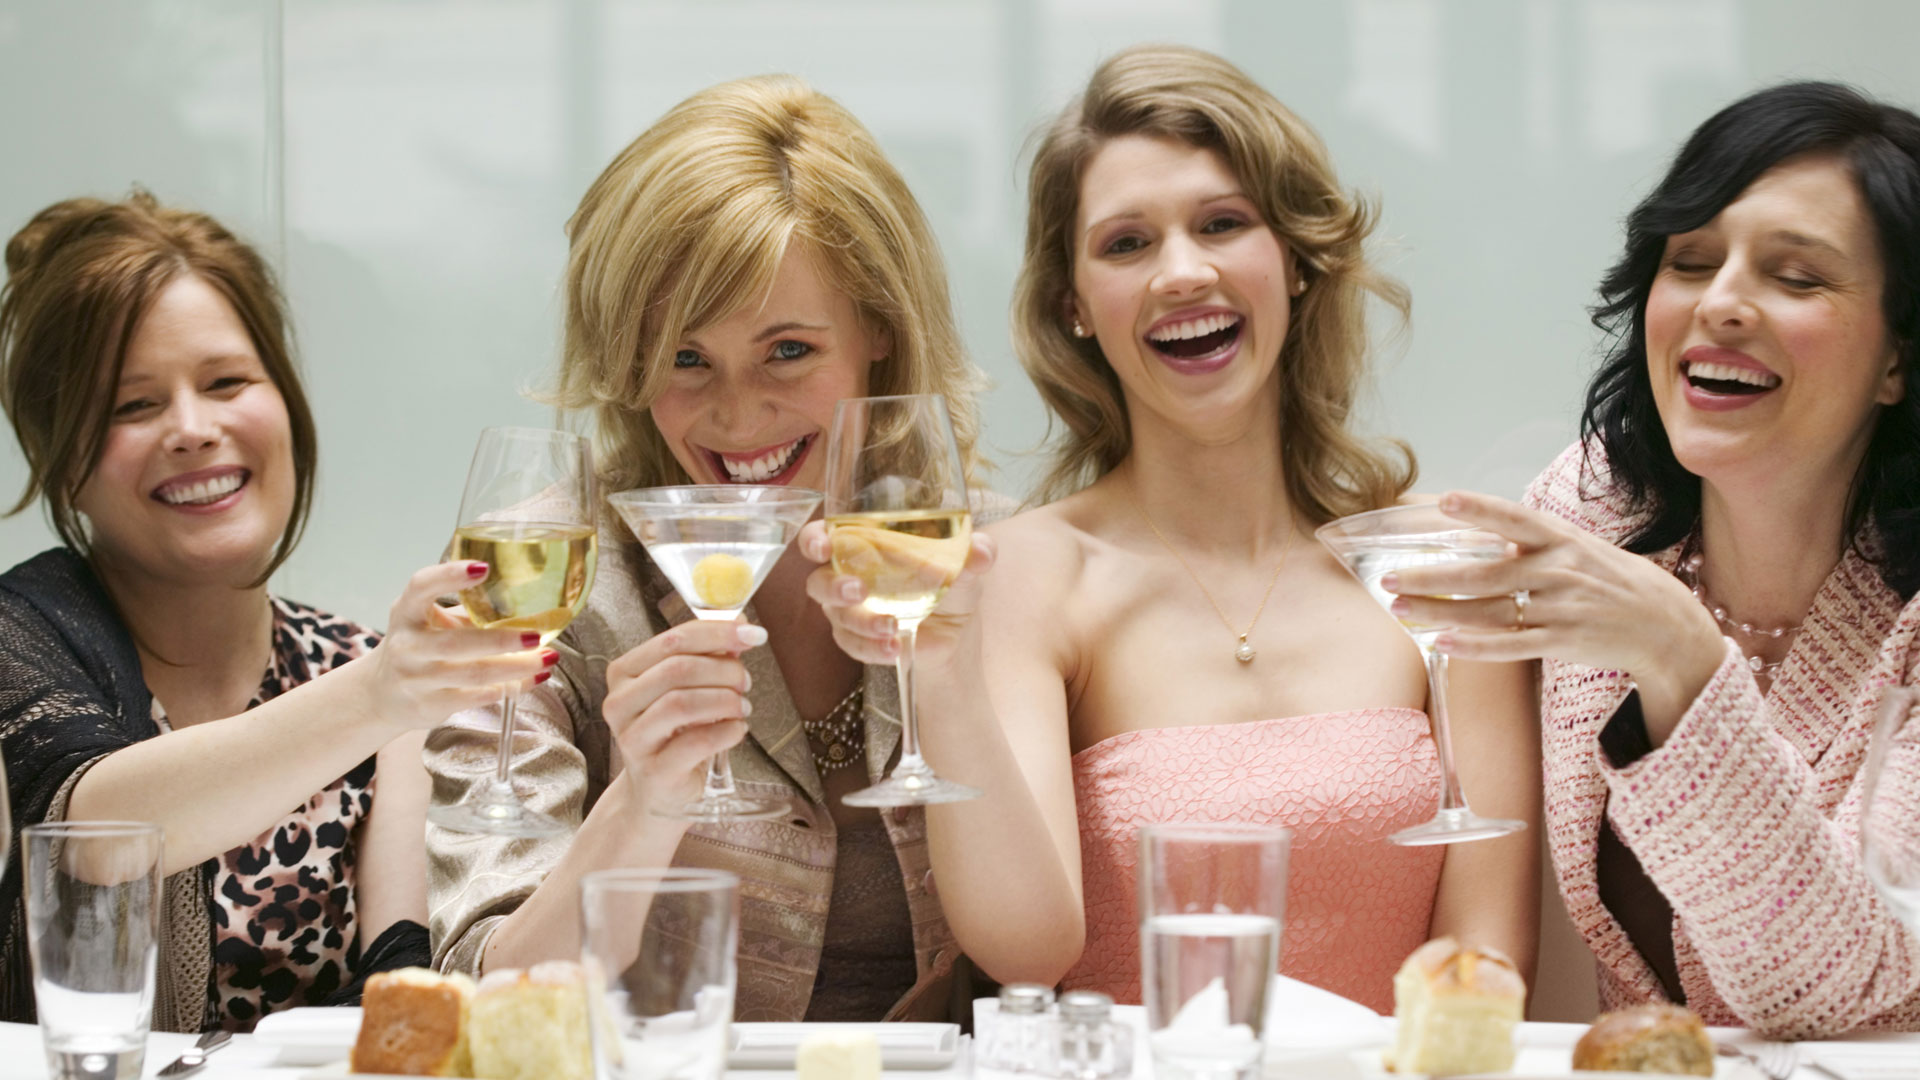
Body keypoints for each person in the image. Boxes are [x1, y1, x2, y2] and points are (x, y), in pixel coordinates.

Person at [804, 44, 1540, 1012]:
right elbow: (1026, 953)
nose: (1184, 272)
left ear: (1296, 261)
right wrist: (939, 666)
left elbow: (1487, 963)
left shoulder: (1433, 562)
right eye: (1127, 244)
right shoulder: (1025, 572)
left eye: (1223, 224)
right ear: (1074, 306)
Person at [423, 75, 1055, 1023]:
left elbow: (1044, 960)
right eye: (685, 359)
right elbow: (493, 1001)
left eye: (788, 350)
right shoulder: (540, 572)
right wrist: (642, 803)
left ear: (880, 326)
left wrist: (951, 679)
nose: (737, 414)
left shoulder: (993, 558)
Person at [1386, 82, 1920, 1038]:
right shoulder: (1597, 507)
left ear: (1898, 360)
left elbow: (1833, 987)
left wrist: (1684, 658)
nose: (1720, 303)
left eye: (1797, 277)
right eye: (1691, 262)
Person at [0, 192, 545, 1032]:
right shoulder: (20, 634)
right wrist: (381, 694)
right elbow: (93, 839)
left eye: (226, 383)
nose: (192, 429)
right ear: (59, 455)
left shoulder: (359, 668)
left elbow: (402, 987)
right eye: (132, 405)